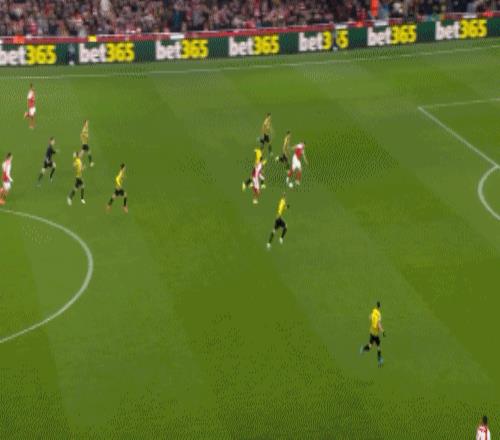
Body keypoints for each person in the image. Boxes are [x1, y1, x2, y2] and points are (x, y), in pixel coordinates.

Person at [360, 301, 385, 367]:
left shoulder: (373, 311)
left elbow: (369, 317)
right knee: (378, 347)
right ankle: (379, 361)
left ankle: (363, 349)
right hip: (376, 334)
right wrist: (382, 331)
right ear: (380, 306)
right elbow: (379, 324)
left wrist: (373, 322)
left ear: (376, 306)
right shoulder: (379, 315)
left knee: (370, 346)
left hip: (371, 332)